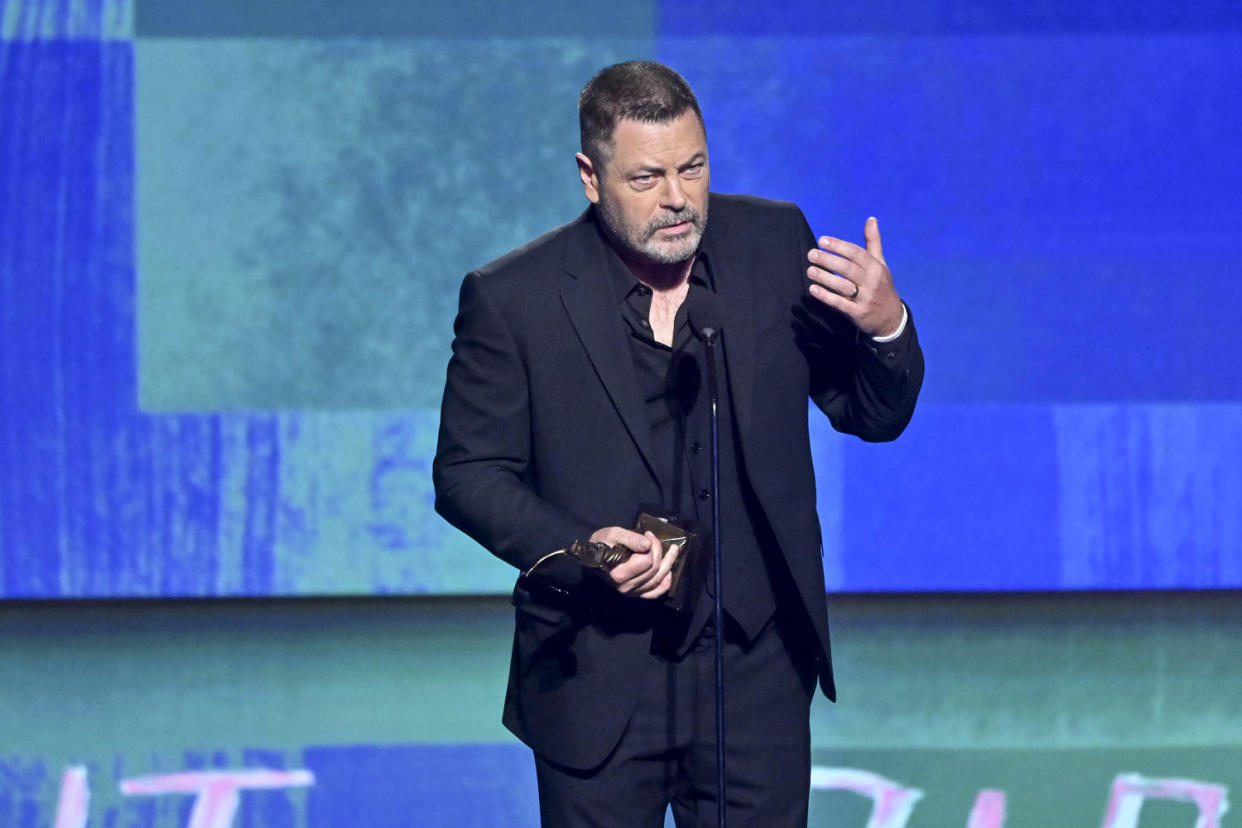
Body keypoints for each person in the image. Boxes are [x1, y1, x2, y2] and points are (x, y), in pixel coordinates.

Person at [433, 61, 923, 827]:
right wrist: (584, 547)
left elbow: (871, 414)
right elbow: (468, 473)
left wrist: (885, 325)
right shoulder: (514, 299)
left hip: (755, 671)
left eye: (692, 168)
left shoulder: (771, 244)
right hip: (596, 669)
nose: (677, 200)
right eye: (647, 178)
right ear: (591, 177)